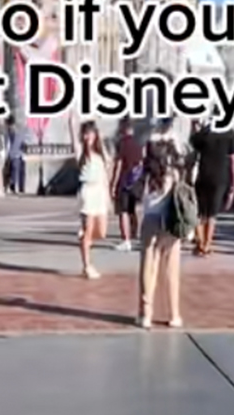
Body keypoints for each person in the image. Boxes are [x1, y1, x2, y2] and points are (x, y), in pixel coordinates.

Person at [136, 140, 186, 328]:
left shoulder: (147, 175)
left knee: (148, 268)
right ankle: (174, 313)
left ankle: (145, 313)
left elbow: (140, 197)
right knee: (172, 271)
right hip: (170, 223)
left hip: (150, 221)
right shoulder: (173, 174)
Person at [188, 119, 234, 256]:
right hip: (220, 177)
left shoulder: (205, 133)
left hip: (204, 175)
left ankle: (200, 243)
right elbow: (233, 160)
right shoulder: (229, 134)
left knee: (200, 212)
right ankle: (207, 244)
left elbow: (193, 143)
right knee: (212, 214)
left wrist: (195, 127)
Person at [76, 120, 112, 278]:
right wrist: (72, 120)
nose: (88, 136)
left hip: (100, 191)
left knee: (102, 232)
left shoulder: (101, 153)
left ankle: (84, 239)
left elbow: (107, 171)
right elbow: (73, 136)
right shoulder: (82, 153)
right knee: (89, 231)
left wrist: (108, 195)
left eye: (90, 132)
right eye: (85, 133)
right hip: (88, 192)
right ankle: (87, 265)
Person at [113, 120, 146, 250]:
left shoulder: (122, 143)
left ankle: (126, 239)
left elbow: (119, 164)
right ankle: (134, 234)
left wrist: (113, 183)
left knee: (123, 211)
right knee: (132, 210)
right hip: (137, 180)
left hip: (124, 180)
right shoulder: (140, 143)